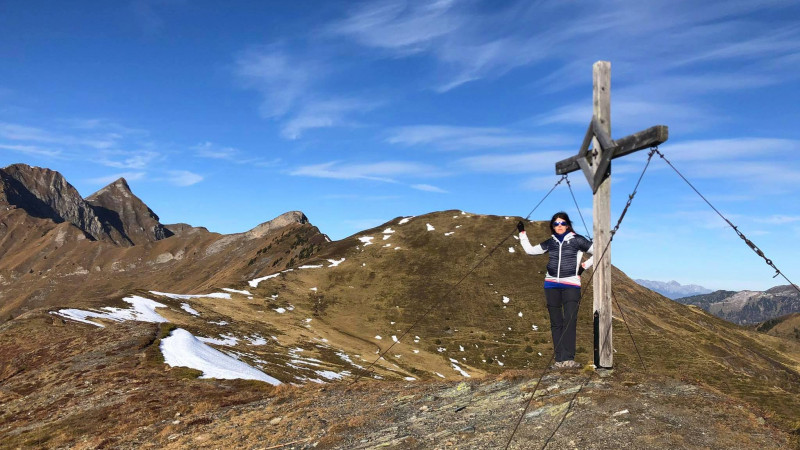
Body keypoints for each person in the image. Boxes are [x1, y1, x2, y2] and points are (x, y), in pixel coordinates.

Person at [517, 212, 593, 369]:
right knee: (556, 323)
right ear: (552, 226)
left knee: (570, 321)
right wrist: (522, 233)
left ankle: (569, 359)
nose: (559, 226)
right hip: (551, 285)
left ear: (568, 224)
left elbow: (600, 250)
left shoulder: (577, 240)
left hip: (571, 284)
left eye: (562, 223)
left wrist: (583, 267)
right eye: (556, 223)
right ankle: (560, 360)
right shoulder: (550, 242)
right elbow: (531, 251)